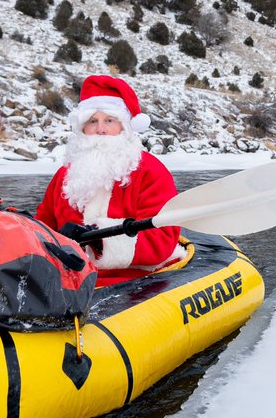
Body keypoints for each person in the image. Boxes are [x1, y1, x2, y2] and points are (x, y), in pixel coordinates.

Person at [36, 74, 185, 285]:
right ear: (82, 128)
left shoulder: (151, 171)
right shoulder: (65, 175)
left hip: (135, 279)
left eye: (109, 121)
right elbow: (43, 224)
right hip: (73, 277)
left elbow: (162, 237)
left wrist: (98, 240)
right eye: (92, 121)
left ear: (123, 126)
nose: (100, 130)